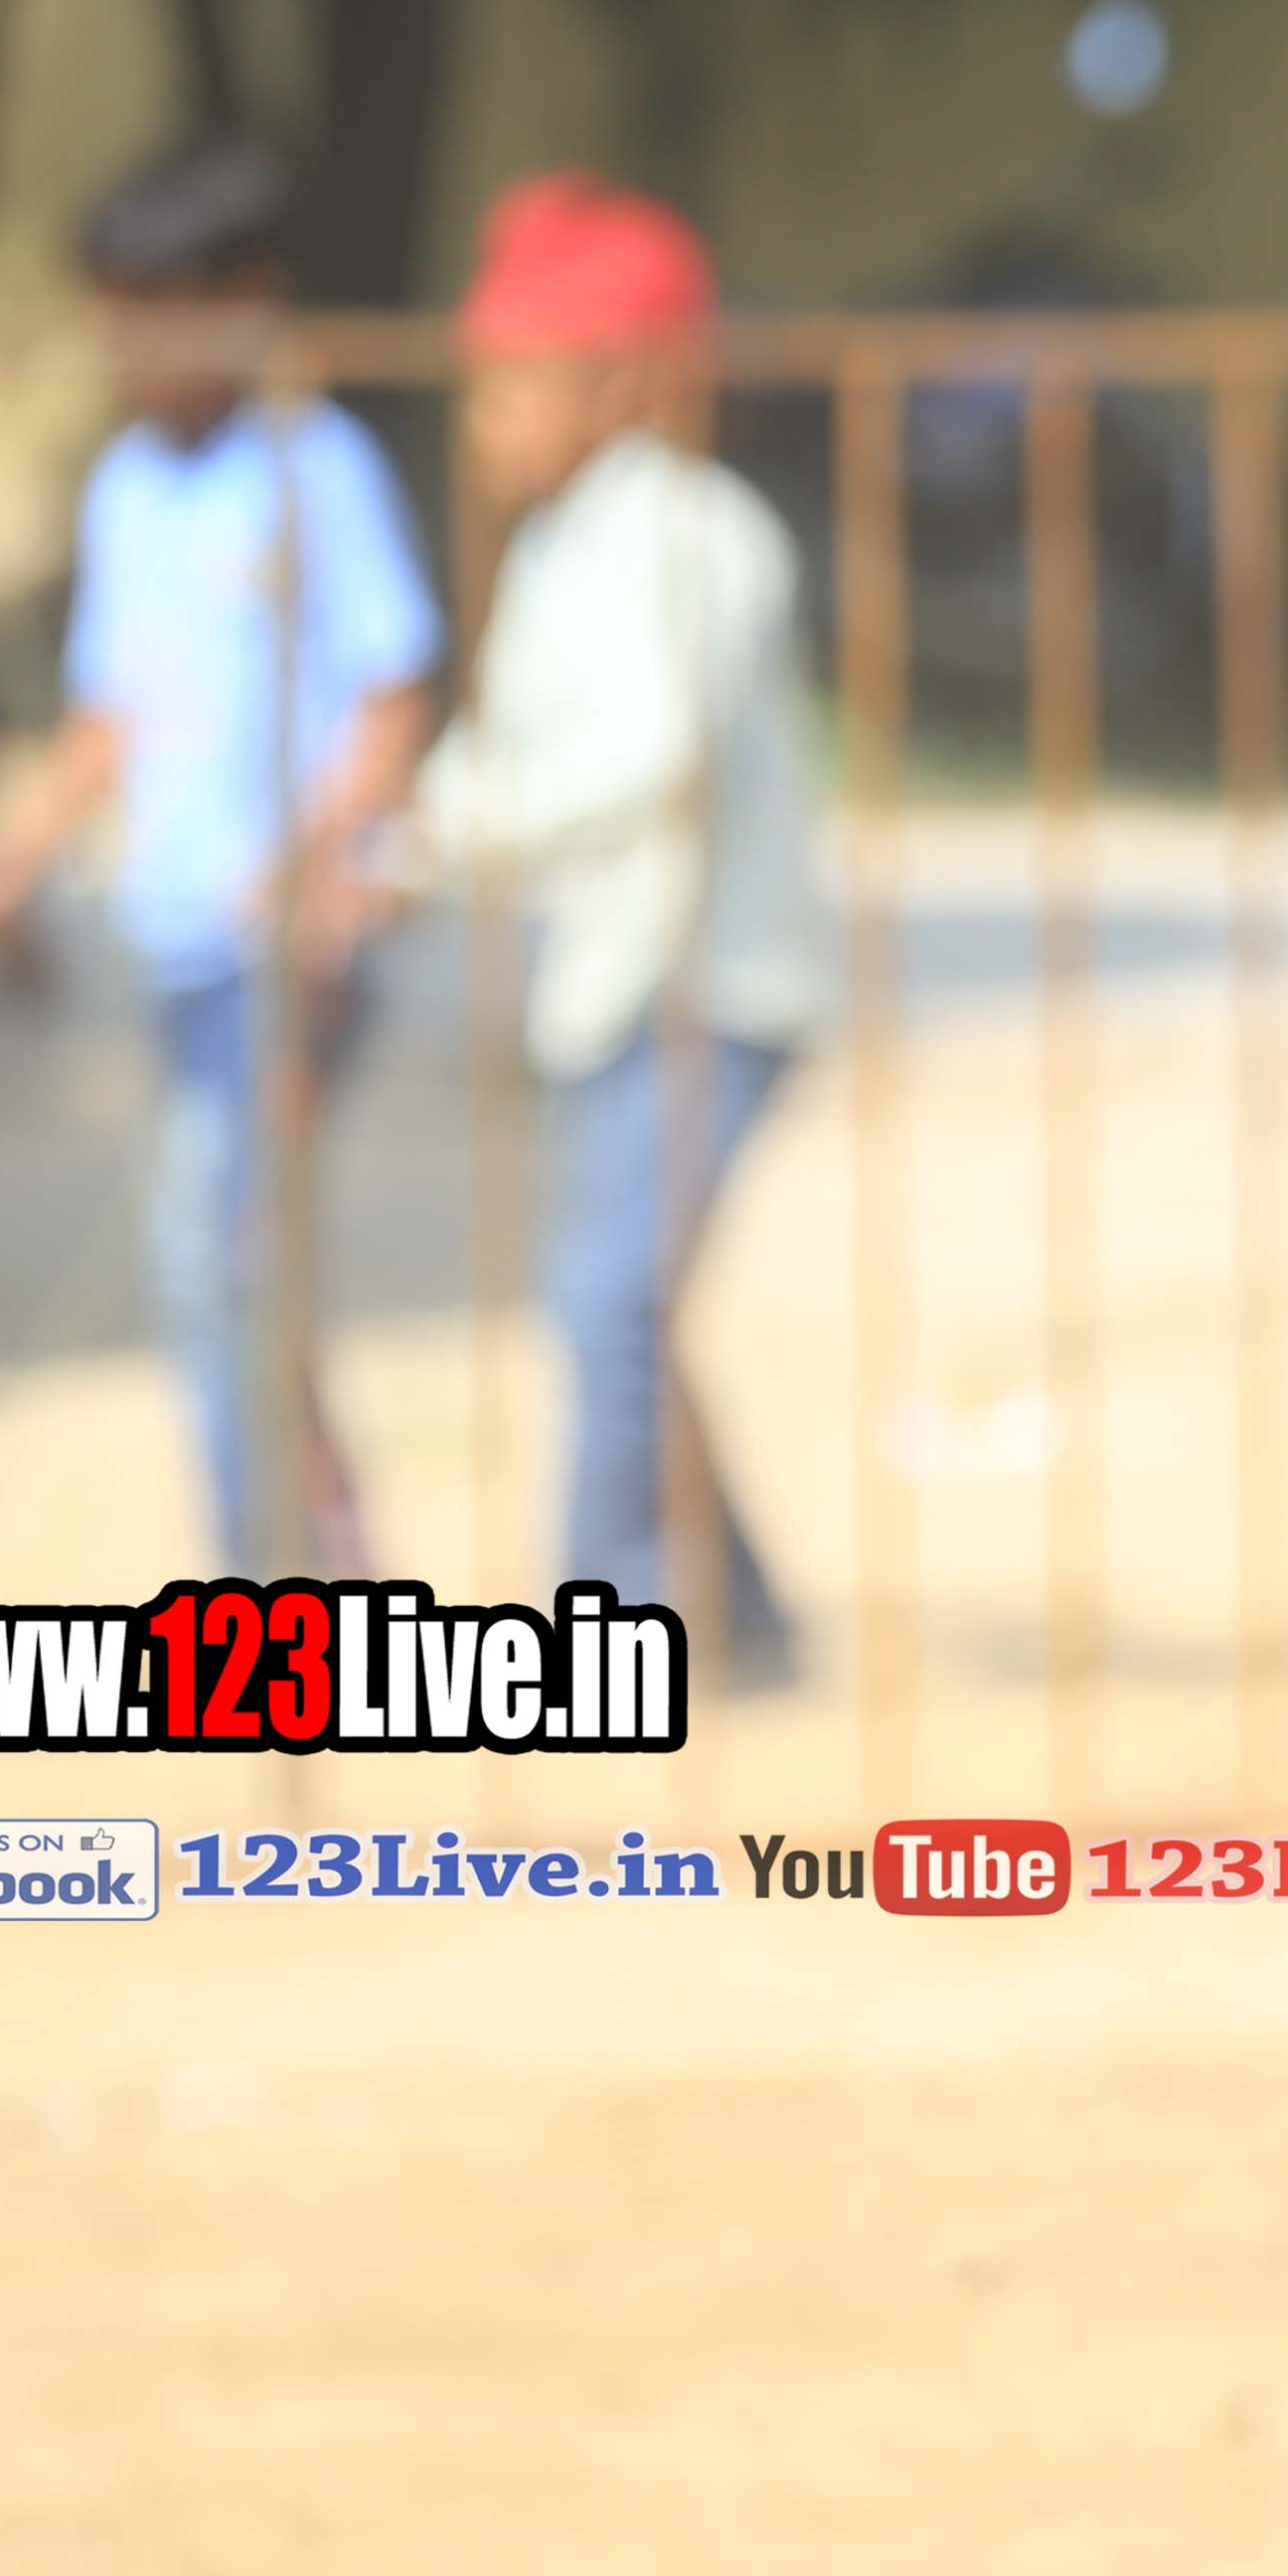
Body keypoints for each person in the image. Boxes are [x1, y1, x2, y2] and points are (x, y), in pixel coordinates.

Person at [0, 135, 439, 1571]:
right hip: (179, 944)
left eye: (162, 315)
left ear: (250, 295)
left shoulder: (320, 469)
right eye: (118, 319)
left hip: (293, 953)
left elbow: (394, 693)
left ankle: (270, 1592)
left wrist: (319, 853)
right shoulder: (131, 490)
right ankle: (320, 1567)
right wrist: (0, 874)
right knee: (236, 1272)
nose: (135, 352)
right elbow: (110, 721)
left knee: (219, 1256)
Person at [387, 174, 828, 1682]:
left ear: (624, 383)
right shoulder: (561, 547)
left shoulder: (693, 534)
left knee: (610, 1303)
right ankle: (745, 1615)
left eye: (515, 383)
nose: (485, 420)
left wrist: (443, 838)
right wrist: (390, 843)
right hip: (615, 988)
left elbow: (650, 761)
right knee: (617, 1309)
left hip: (714, 990)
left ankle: (604, 1635)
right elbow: (497, 755)